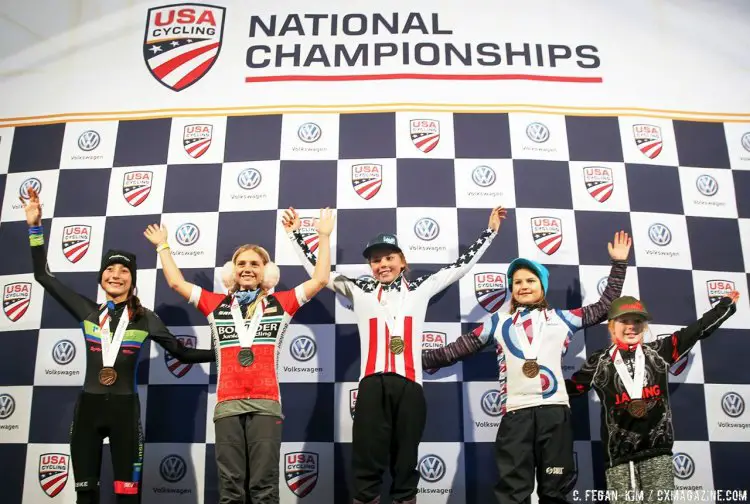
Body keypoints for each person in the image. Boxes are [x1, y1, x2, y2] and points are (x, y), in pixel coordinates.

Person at [283, 206, 507, 504]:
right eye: (376, 260)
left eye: (389, 258)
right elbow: (318, 273)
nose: (382, 264)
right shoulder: (357, 288)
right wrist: (297, 235)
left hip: (410, 385)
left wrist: (489, 232)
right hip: (372, 385)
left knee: (405, 463)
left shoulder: (422, 287)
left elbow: (461, 265)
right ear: (370, 266)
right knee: (365, 462)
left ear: (403, 262)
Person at [20, 187, 214, 504]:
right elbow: (43, 275)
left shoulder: (145, 319)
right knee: (86, 496)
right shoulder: (87, 312)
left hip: (125, 412)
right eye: (110, 269)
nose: (117, 274)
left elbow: (183, 353)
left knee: (128, 497)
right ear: (101, 279)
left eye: (124, 270)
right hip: (88, 413)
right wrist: (34, 226)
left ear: (132, 281)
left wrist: (226, 351)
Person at [422, 231, 633, 504]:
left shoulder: (562, 319)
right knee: (513, 491)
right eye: (517, 281)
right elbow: (455, 349)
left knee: (554, 489)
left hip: (555, 413)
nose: (523, 286)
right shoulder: (496, 322)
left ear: (542, 286)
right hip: (516, 415)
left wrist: (619, 265)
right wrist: (413, 360)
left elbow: (605, 307)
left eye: (531, 280)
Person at [144, 208, 335, 504]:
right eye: (241, 263)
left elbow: (321, 279)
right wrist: (163, 246)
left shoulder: (281, 303)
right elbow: (176, 283)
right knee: (230, 489)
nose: (248, 268)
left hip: (266, 403)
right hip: (227, 404)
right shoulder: (215, 304)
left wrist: (322, 236)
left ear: (266, 271)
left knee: (265, 487)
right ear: (231, 271)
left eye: (255, 264)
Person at [565, 292, 739, 503]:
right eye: (624, 321)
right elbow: (572, 389)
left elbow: (696, 331)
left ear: (644, 326)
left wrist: (725, 306)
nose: (631, 326)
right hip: (619, 458)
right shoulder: (599, 361)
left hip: (658, 453)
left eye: (637, 321)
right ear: (611, 326)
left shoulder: (659, 351)